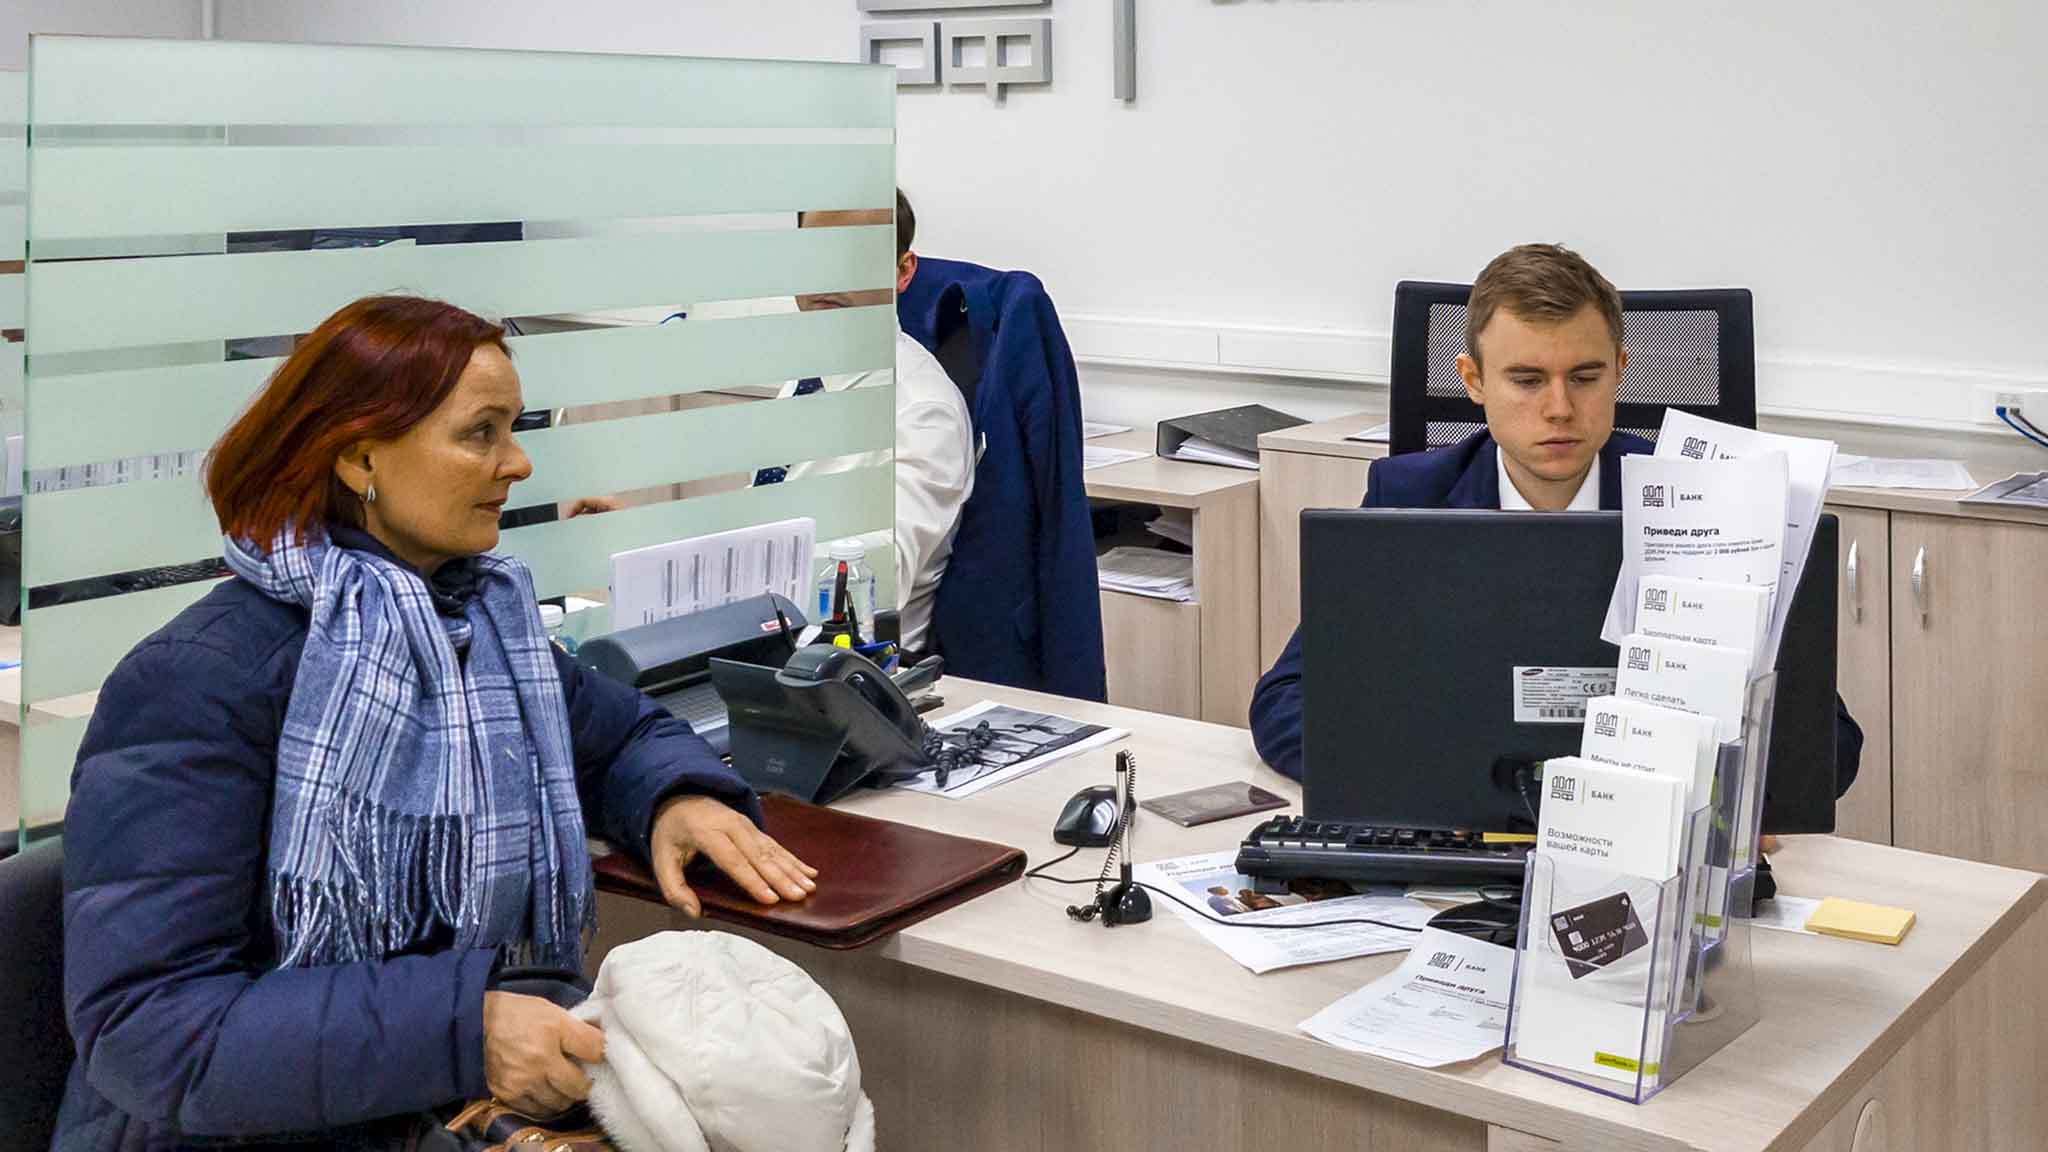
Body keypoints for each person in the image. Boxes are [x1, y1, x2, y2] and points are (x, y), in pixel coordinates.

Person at [57, 296, 819, 1150]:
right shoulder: (198, 679)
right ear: (359, 457)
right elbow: (149, 1031)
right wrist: (466, 1030)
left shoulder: (476, 627)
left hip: (421, 1106)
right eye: (481, 433)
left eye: (513, 429)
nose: (518, 462)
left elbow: (622, 736)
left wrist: (674, 796)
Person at [1248, 243, 1863, 796]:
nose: (1560, 408)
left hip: (1659, 828)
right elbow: (1285, 702)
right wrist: (1425, 782)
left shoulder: (1704, 505)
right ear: (1474, 380)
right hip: (1463, 824)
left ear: (1620, 371)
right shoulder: (1410, 498)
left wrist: (1719, 792)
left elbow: (1825, 739)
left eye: (1585, 377)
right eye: (1527, 380)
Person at [765, 189, 976, 656]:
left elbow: (875, 584)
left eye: (852, 254)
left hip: (852, 663)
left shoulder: (923, 410)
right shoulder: (809, 377)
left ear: (903, 272)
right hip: (771, 637)